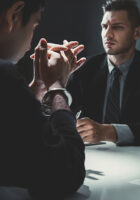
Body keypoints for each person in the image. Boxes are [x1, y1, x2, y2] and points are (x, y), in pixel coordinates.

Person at [0, 0, 86, 198]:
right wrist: (57, 87)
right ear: (14, 14)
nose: (31, 43)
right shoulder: (4, 73)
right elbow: (66, 173)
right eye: (34, 25)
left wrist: (39, 87)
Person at [66, 0, 140, 146]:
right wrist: (56, 82)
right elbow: (60, 116)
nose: (108, 34)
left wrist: (107, 132)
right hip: (94, 158)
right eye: (104, 26)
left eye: (117, 27)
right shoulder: (85, 68)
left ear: (137, 33)